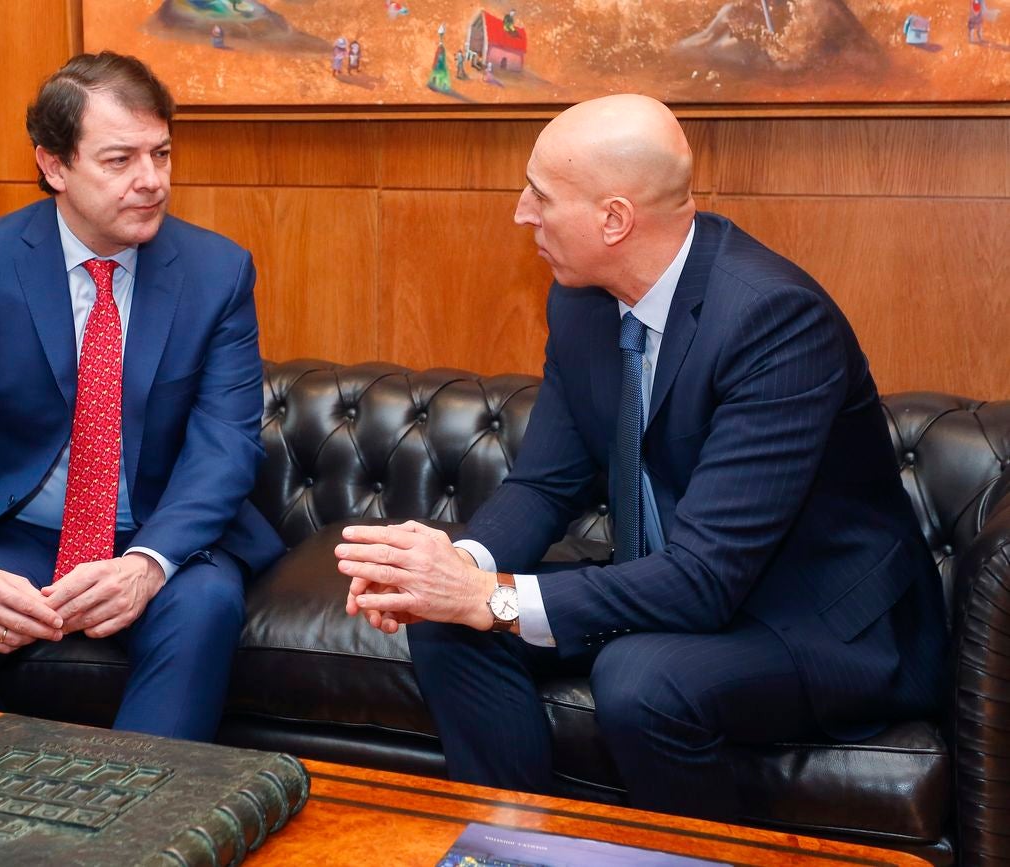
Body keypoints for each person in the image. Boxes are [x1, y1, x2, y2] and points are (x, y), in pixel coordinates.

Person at [335, 94, 946, 821]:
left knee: (640, 676)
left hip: (817, 621)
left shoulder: (775, 320)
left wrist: (493, 598)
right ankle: (522, 847)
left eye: (541, 195)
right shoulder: (583, 302)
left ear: (614, 220)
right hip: (684, 585)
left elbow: (705, 579)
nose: (521, 213)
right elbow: (543, 484)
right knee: (446, 622)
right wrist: (454, 571)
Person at [0, 51, 285, 741]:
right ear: (54, 165)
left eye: (162, 153)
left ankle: (135, 827)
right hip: (21, 535)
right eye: (120, 160)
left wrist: (146, 564)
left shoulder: (217, 273)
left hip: (156, 533)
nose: (151, 181)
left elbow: (225, 449)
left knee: (204, 605)